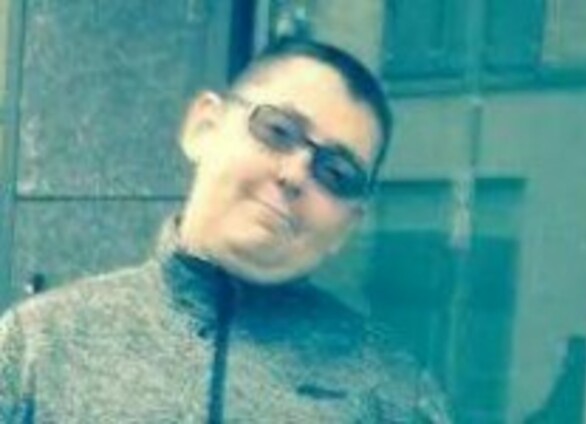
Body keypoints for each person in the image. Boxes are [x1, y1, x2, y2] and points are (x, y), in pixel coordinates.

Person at [0, 37, 450, 423]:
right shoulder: (39, 346)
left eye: (335, 173)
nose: (295, 174)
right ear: (204, 127)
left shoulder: (394, 394)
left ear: (348, 225)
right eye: (278, 131)